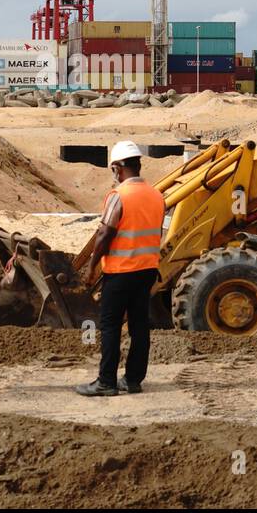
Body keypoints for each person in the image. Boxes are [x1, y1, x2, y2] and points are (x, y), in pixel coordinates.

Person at [76, 141, 165, 397]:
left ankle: (106, 382)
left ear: (117, 169)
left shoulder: (119, 196)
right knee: (139, 326)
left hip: (121, 271)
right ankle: (133, 380)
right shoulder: (156, 196)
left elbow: (105, 234)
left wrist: (92, 266)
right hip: (147, 270)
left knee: (111, 325)